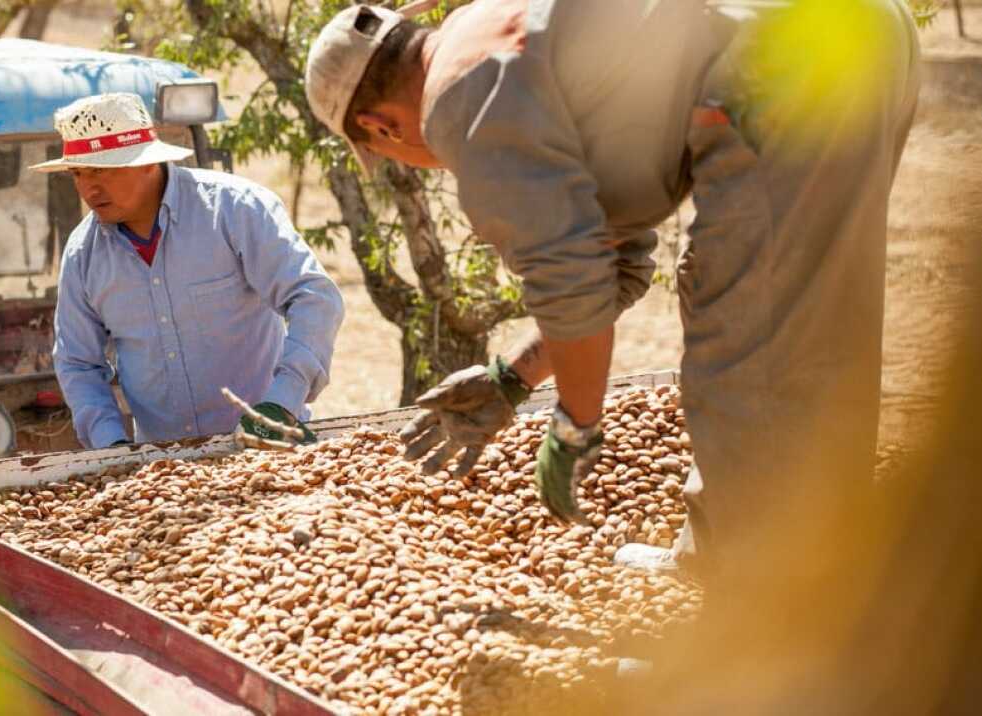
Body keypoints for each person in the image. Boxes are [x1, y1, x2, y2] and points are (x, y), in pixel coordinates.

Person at [304, 0, 921, 583]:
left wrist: (575, 426)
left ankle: (756, 642)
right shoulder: (491, 27)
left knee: (748, 355)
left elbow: (571, 287)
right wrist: (513, 377)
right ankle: (741, 566)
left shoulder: (456, 99)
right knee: (794, 322)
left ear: (378, 124)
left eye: (387, 152)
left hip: (780, 68)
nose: (408, 160)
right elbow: (610, 266)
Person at [34, 93, 344, 449]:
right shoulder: (83, 253)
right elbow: (78, 362)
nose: (88, 188)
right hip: (159, 466)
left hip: (270, 446)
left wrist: (281, 403)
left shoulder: (235, 210)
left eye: (102, 170)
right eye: (78, 173)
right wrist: (112, 447)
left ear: (146, 162)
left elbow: (315, 299)